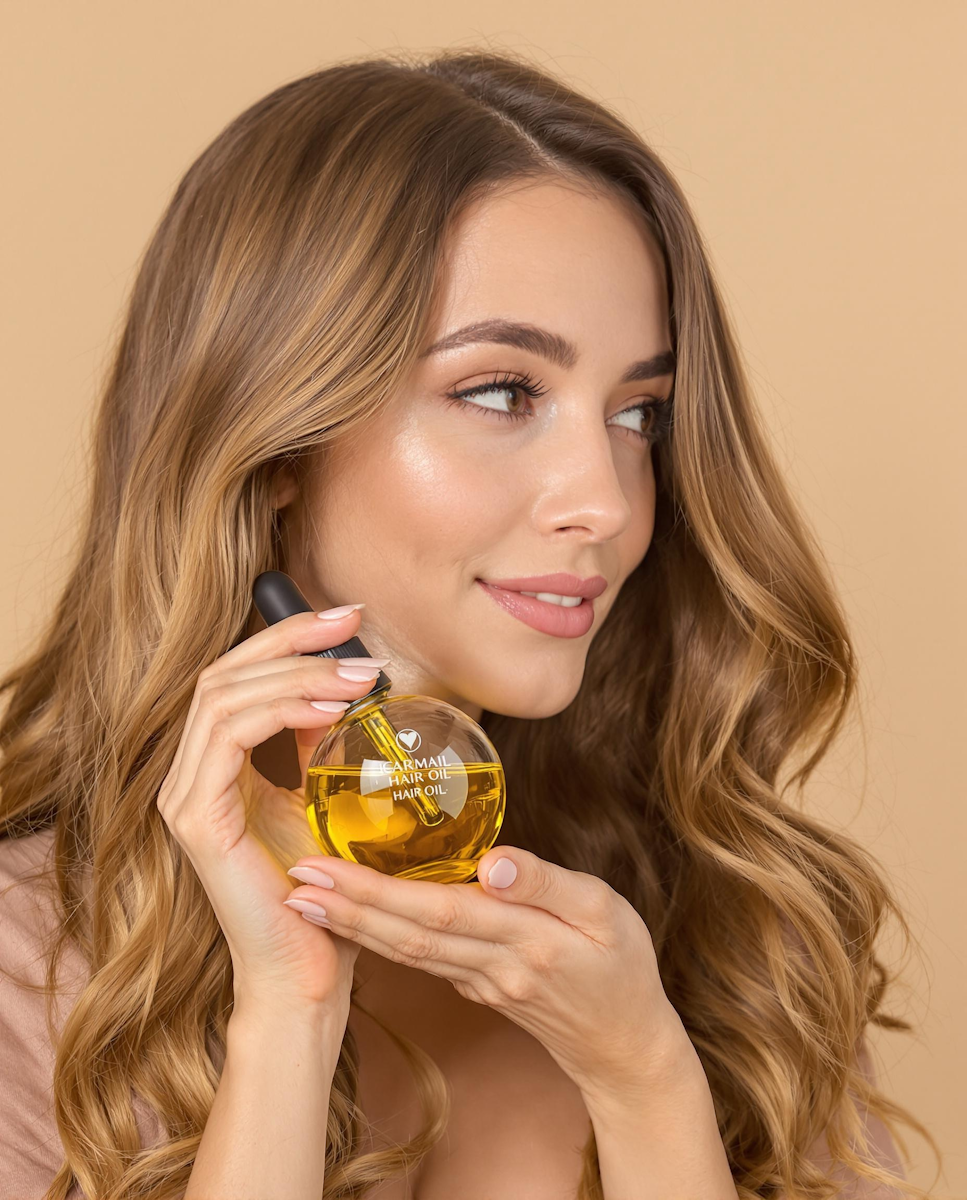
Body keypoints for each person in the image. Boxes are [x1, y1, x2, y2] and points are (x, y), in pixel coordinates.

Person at [0, 46, 938, 1200]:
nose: (605, 496)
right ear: (281, 443)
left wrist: (645, 1080)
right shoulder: (32, 972)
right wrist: (284, 1022)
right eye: (502, 392)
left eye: (641, 410)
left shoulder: (726, 927)